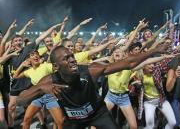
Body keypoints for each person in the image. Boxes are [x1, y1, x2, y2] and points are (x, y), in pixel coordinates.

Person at [17, 42, 168, 129]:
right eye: (66, 59)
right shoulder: (49, 81)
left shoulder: (90, 71)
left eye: (72, 56)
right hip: (74, 120)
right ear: (56, 66)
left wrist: (153, 51)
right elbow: (20, 101)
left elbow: (129, 63)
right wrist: (40, 89)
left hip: (98, 114)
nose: (72, 60)